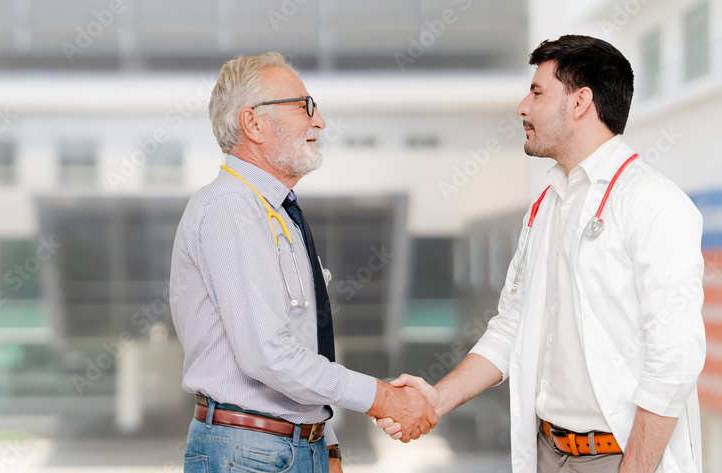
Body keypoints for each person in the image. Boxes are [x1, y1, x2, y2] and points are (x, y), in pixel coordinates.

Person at [378, 35, 706, 473]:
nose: (522, 108)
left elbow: (676, 359)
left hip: (621, 457)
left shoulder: (653, 203)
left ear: (580, 102)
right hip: (547, 452)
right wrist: (439, 397)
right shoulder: (549, 204)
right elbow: (512, 325)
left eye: (537, 92)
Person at [169, 52, 438, 473]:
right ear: (253, 124)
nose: (320, 121)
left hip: (290, 447)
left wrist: (324, 442)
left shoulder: (276, 213)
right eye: (303, 106)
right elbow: (268, 356)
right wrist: (384, 398)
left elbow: (298, 348)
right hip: (248, 454)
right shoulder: (231, 209)